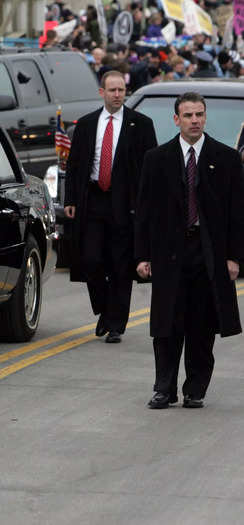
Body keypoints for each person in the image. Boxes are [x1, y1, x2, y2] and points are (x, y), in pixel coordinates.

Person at [136, 92, 244, 409]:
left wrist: (234, 257)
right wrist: (142, 256)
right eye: (188, 115)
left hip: (208, 253)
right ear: (176, 120)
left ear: (205, 117)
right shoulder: (156, 159)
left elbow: (237, 214)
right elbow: (143, 212)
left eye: (199, 115)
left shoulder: (225, 159)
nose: (194, 120)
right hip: (169, 253)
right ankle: (163, 388)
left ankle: (195, 388)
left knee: (202, 324)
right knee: (167, 324)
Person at [64, 70, 157, 343]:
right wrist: (70, 199)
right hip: (93, 200)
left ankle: (116, 324)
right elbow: (75, 165)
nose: (117, 95)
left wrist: (147, 204)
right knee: (91, 259)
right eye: (112, 90)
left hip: (125, 203)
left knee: (120, 264)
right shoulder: (87, 124)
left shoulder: (140, 124)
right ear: (101, 92)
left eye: (121, 90)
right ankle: (104, 308)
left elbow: (151, 167)